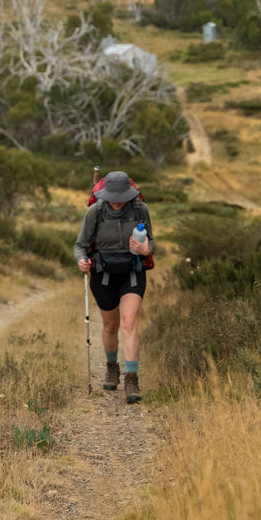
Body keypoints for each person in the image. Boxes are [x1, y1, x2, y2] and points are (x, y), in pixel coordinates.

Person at [73, 171, 154, 404]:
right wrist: (82, 261)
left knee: (129, 323)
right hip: (104, 274)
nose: (117, 201)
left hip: (132, 271)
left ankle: (132, 380)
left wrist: (145, 250)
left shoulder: (140, 210)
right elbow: (81, 245)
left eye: (122, 196)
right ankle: (112, 368)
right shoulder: (95, 212)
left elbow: (152, 242)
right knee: (110, 326)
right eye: (113, 196)